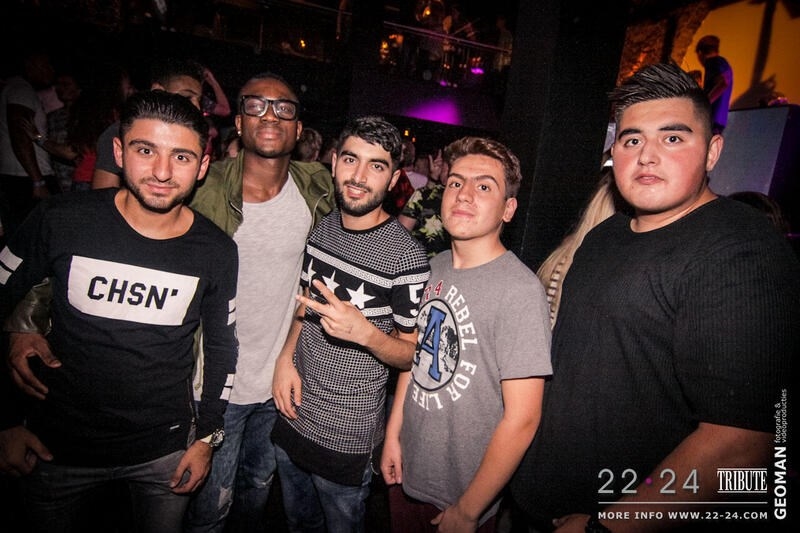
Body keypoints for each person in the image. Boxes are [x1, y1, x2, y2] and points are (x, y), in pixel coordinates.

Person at [510, 63, 799, 532]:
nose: (646, 156)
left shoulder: (740, 250)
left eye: (672, 138)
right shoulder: (606, 234)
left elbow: (744, 444)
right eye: (631, 140)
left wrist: (608, 526)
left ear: (713, 151)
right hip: (537, 504)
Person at [0, 89, 239, 532]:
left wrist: (207, 438)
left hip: (163, 454)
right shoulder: (60, 219)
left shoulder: (216, 250)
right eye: (145, 150)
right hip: (56, 449)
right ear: (118, 150)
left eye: (182, 157)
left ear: (203, 166)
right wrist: (6, 422)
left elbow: (222, 347)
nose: (162, 172)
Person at [184, 71, 335, 533]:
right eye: (256, 105)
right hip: (214, 386)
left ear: (298, 128)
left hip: (280, 383)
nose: (270, 116)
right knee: (210, 508)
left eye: (283, 108)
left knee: (257, 488)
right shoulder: (203, 188)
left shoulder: (317, 188)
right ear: (239, 121)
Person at [381, 136, 552, 532]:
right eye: (456, 182)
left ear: (508, 209)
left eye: (484, 186)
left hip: (461, 494)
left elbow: (524, 418)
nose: (464, 194)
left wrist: (469, 509)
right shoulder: (435, 266)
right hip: (408, 469)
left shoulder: (519, 291)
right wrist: (393, 434)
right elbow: (415, 357)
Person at [271, 115, 431, 532]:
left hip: (346, 437)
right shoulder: (323, 227)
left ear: (393, 179)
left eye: (376, 166)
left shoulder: (406, 257)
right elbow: (305, 304)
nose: (359, 177)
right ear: (334, 161)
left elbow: (411, 355)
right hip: (292, 414)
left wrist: (366, 334)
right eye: (350, 159)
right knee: (297, 523)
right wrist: (285, 359)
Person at [92, 57, 205, 189]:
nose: (196, 107)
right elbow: (104, 195)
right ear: (157, 89)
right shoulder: (125, 131)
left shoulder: (192, 136)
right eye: (146, 151)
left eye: (181, 157)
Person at [0, 48, 58, 240]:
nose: (51, 70)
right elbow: (19, 133)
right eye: (46, 65)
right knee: (39, 235)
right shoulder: (21, 90)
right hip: (26, 178)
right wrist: (37, 181)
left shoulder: (14, 87)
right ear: (32, 66)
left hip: (21, 176)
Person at [398, 148, 451, 258]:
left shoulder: (423, 194)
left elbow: (399, 235)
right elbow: (400, 234)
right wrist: (433, 179)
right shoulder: (424, 194)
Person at [695, 35, 733, 135]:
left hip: (712, 119)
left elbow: (723, 83)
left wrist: (704, 103)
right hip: (719, 120)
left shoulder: (713, 63)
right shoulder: (723, 63)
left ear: (700, 53)